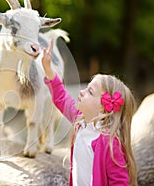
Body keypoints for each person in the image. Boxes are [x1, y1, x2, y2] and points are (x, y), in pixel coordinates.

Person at [41, 40, 138, 186]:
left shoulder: (111, 145)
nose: (81, 92)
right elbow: (61, 97)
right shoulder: (80, 122)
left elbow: (120, 182)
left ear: (103, 108)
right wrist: (48, 68)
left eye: (89, 92)